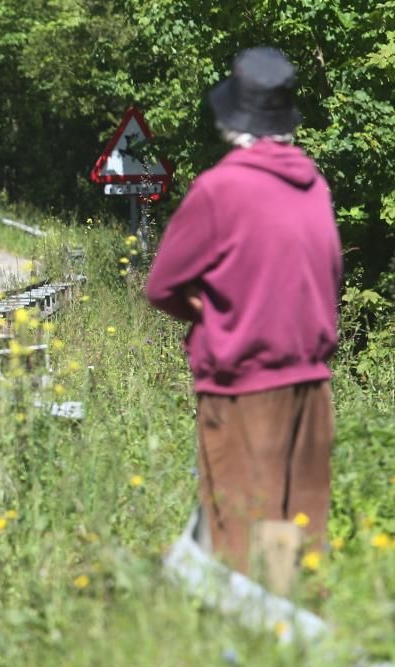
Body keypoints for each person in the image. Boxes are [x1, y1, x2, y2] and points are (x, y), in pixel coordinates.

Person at [144, 47, 342, 574]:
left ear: (232, 119)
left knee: (236, 538)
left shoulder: (221, 189)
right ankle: (293, 644)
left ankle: (241, 650)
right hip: (312, 387)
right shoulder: (315, 187)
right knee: (293, 541)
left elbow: (162, 286)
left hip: (242, 387)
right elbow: (327, 277)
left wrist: (221, 315)